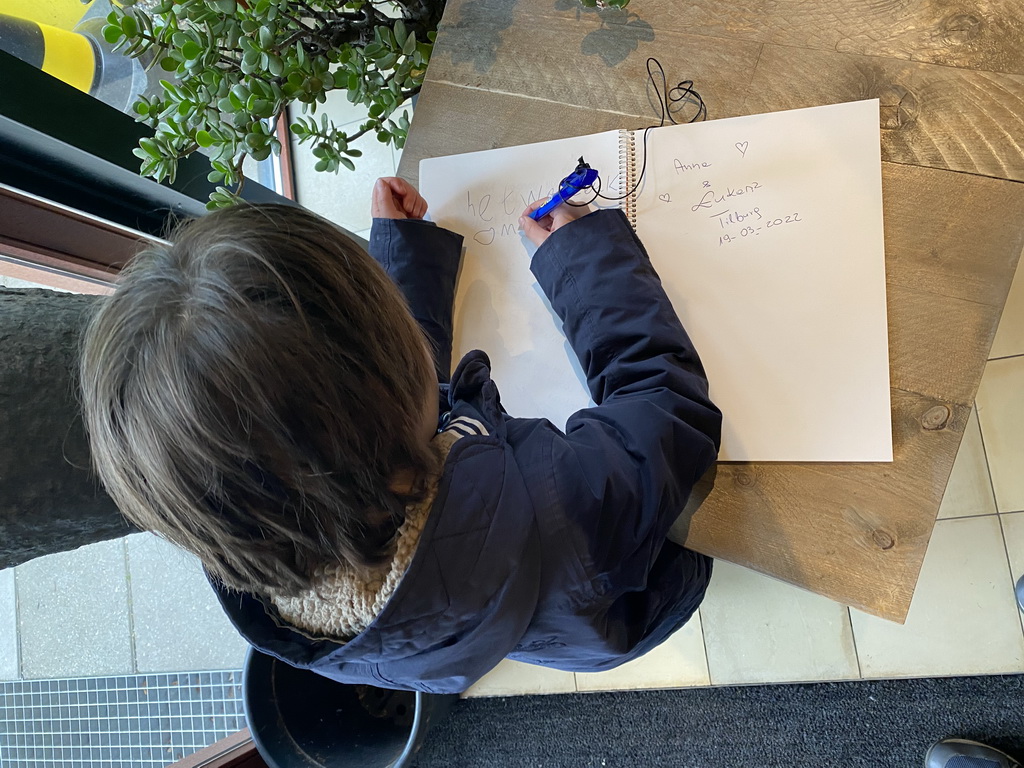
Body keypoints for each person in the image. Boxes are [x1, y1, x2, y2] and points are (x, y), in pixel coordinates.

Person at [79, 177, 722, 693]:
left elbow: (353, 405)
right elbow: (666, 405)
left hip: (521, 624)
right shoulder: (554, 501)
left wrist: (404, 258)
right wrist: (586, 259)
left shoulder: (277, 566)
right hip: (632, 587)